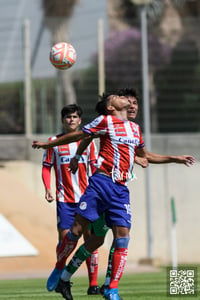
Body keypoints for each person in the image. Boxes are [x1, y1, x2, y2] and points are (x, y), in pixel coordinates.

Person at [32, 89, 194, 300]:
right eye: (119, 98)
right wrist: (48, 144)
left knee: (122, 238)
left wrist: (174, 158)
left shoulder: (135, 129)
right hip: (100, 183)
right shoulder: (105, 121)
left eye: (132, 101)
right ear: (110, 107)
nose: (127, 101)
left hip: (120, 190)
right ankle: (60, 269)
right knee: (78, 231)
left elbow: (144, 156)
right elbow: (82, 135)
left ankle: (110, 288)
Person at [41, 104, 102, 297]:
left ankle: (93, 284)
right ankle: (61, 272)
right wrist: (48, 188)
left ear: (80, 120)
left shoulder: (89, 142)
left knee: (90, 240)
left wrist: (98, 193)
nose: (71, 120)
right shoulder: (54, 142)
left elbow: (94, 169)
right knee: (66, 238)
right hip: (64, 199)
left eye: (75, 116)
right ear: (62, 120)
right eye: (68, 117)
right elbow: (46, 167)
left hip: (86, 198)